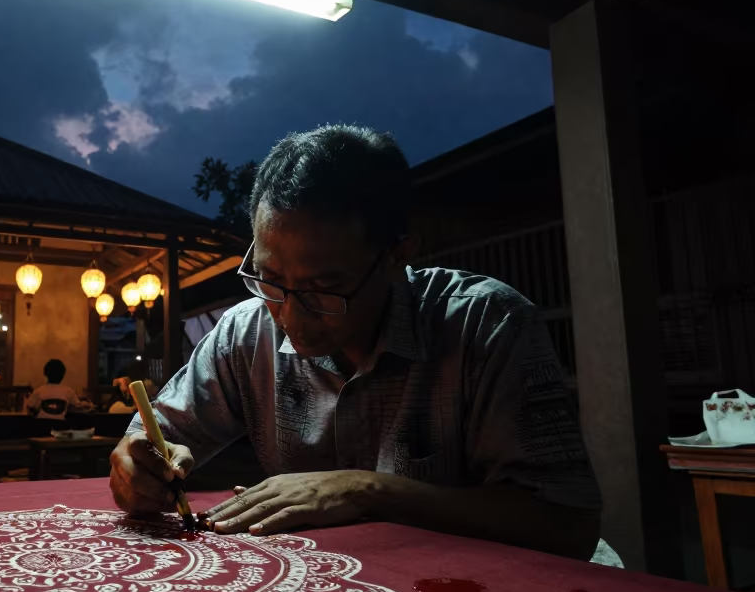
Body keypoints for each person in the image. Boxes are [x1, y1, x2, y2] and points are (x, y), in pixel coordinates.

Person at [109, 124, 602, 560]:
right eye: (270, 278)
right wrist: (140, 463)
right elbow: (155, 437)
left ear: (398, 256)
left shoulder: (484, 324)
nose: (290, 315)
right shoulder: (247, 331)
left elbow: (565, 525)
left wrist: (368, 491)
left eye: (325, 289)